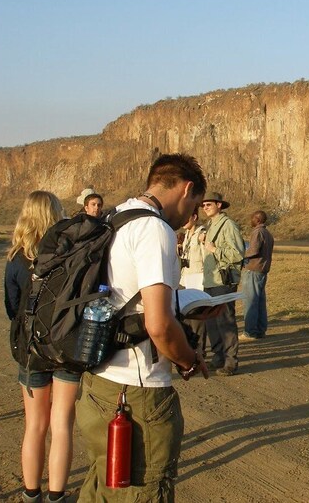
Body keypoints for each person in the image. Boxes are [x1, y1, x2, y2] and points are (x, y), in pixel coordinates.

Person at [76, 153, 210, 501]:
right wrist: (189, 360)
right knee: (145, 490)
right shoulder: (155, 230)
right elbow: (159, 325)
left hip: (97, 384)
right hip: (136, 395)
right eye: (194, 205)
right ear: (187, 189)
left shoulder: (115, 216)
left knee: (102, 486)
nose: (191, 216)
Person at [5, 191, 78, 503]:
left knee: (34, 425)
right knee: (62, 424)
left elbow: (12, 309)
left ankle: (30, 493)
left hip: (32, 351)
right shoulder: (73, 254)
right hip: (66, 348)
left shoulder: (16, 259)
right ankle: (57, 495)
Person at [200, 191, 245, 376]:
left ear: (219, 205)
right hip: (211, 281)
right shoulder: (210, 226)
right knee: (211, 322)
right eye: (203, 205)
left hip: (223, 281)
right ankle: (218, 357)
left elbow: (238, 253)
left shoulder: (228, 225)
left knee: (225, 321)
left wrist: (214, 249)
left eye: (209, 204)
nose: (205, 207)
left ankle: (230, 362)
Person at [240, 210, 275, 340]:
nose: (251, 221)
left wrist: (241, 254)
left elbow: (254, 250)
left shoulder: (257, 232)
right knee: (260, 301)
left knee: (250, 301)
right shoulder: (268, 234)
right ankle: (260, 330)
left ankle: (250, 332)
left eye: (252, 218)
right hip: (262, 270)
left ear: (257, 219)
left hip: (253, 270)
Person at [179, 207, 207, 353]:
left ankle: (199, 350)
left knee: (197, 319)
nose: (184, 221)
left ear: (195, 217)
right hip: (186, 280)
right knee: (186, 318)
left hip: (198, 280)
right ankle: (189, 348)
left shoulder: (201, 234)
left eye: (187, 217)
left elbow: (205, 259)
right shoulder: (187, 235)